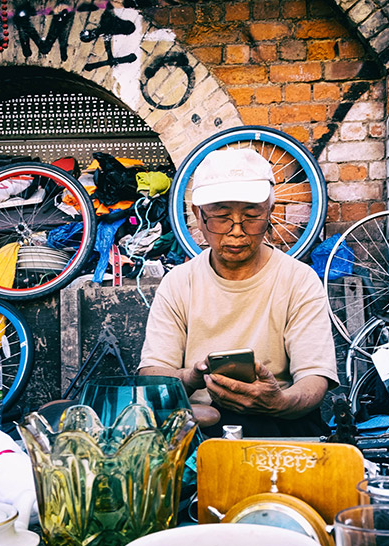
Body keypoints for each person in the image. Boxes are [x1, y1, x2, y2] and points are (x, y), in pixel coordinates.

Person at [138, 148, 338, 438]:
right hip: (200, 426)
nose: (236, 232)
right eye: (220, 217)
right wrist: (193, 377)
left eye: (251, 216)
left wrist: (279, 402)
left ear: (269, 212)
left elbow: (314, 379)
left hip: (278, 424)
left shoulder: (299, 280)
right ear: (198, 215)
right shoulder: (178, 282)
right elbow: (152, 376)